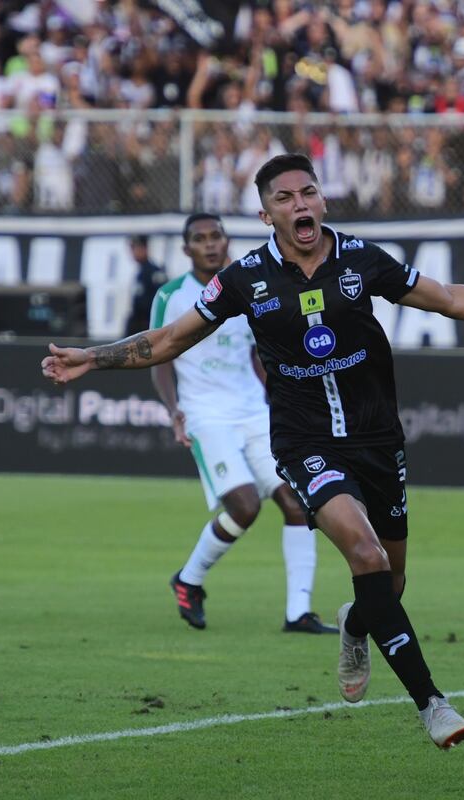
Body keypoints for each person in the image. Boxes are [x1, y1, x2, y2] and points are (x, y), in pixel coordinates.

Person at [42, 153, 464, 749]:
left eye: (307, 192)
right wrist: (92, 356)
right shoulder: (244, 279)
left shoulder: (361, 260)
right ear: (266, 214)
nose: (299, 205)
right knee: (364, 554)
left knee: (389, 585)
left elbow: (448, 299)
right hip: (304, 440)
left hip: (377, 438)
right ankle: (432, 703)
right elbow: (169, 340)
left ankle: (355, 624)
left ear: (322, 201)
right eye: (284, 198)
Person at [150, 212, 336, 635]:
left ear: (227, 240)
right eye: (200, 238)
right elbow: (158, 356)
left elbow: (258, 355)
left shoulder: (247, 287)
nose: (211, 244)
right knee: (245, 506)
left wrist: (286, 400)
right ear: (187, 250)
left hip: (255, 412)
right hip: (206, 415)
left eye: (217, 236)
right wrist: (174, 410)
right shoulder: (172, 296)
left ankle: (298, 612)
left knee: (297, 501)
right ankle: (189, 578)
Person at [123, 235, 166, 337]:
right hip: (138, 327)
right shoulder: (140, 271)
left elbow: (160, 301)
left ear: (145, 248)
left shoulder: (153, 272)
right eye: (132, 248)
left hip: (148, 327)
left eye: (136, 248)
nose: (133, 252)